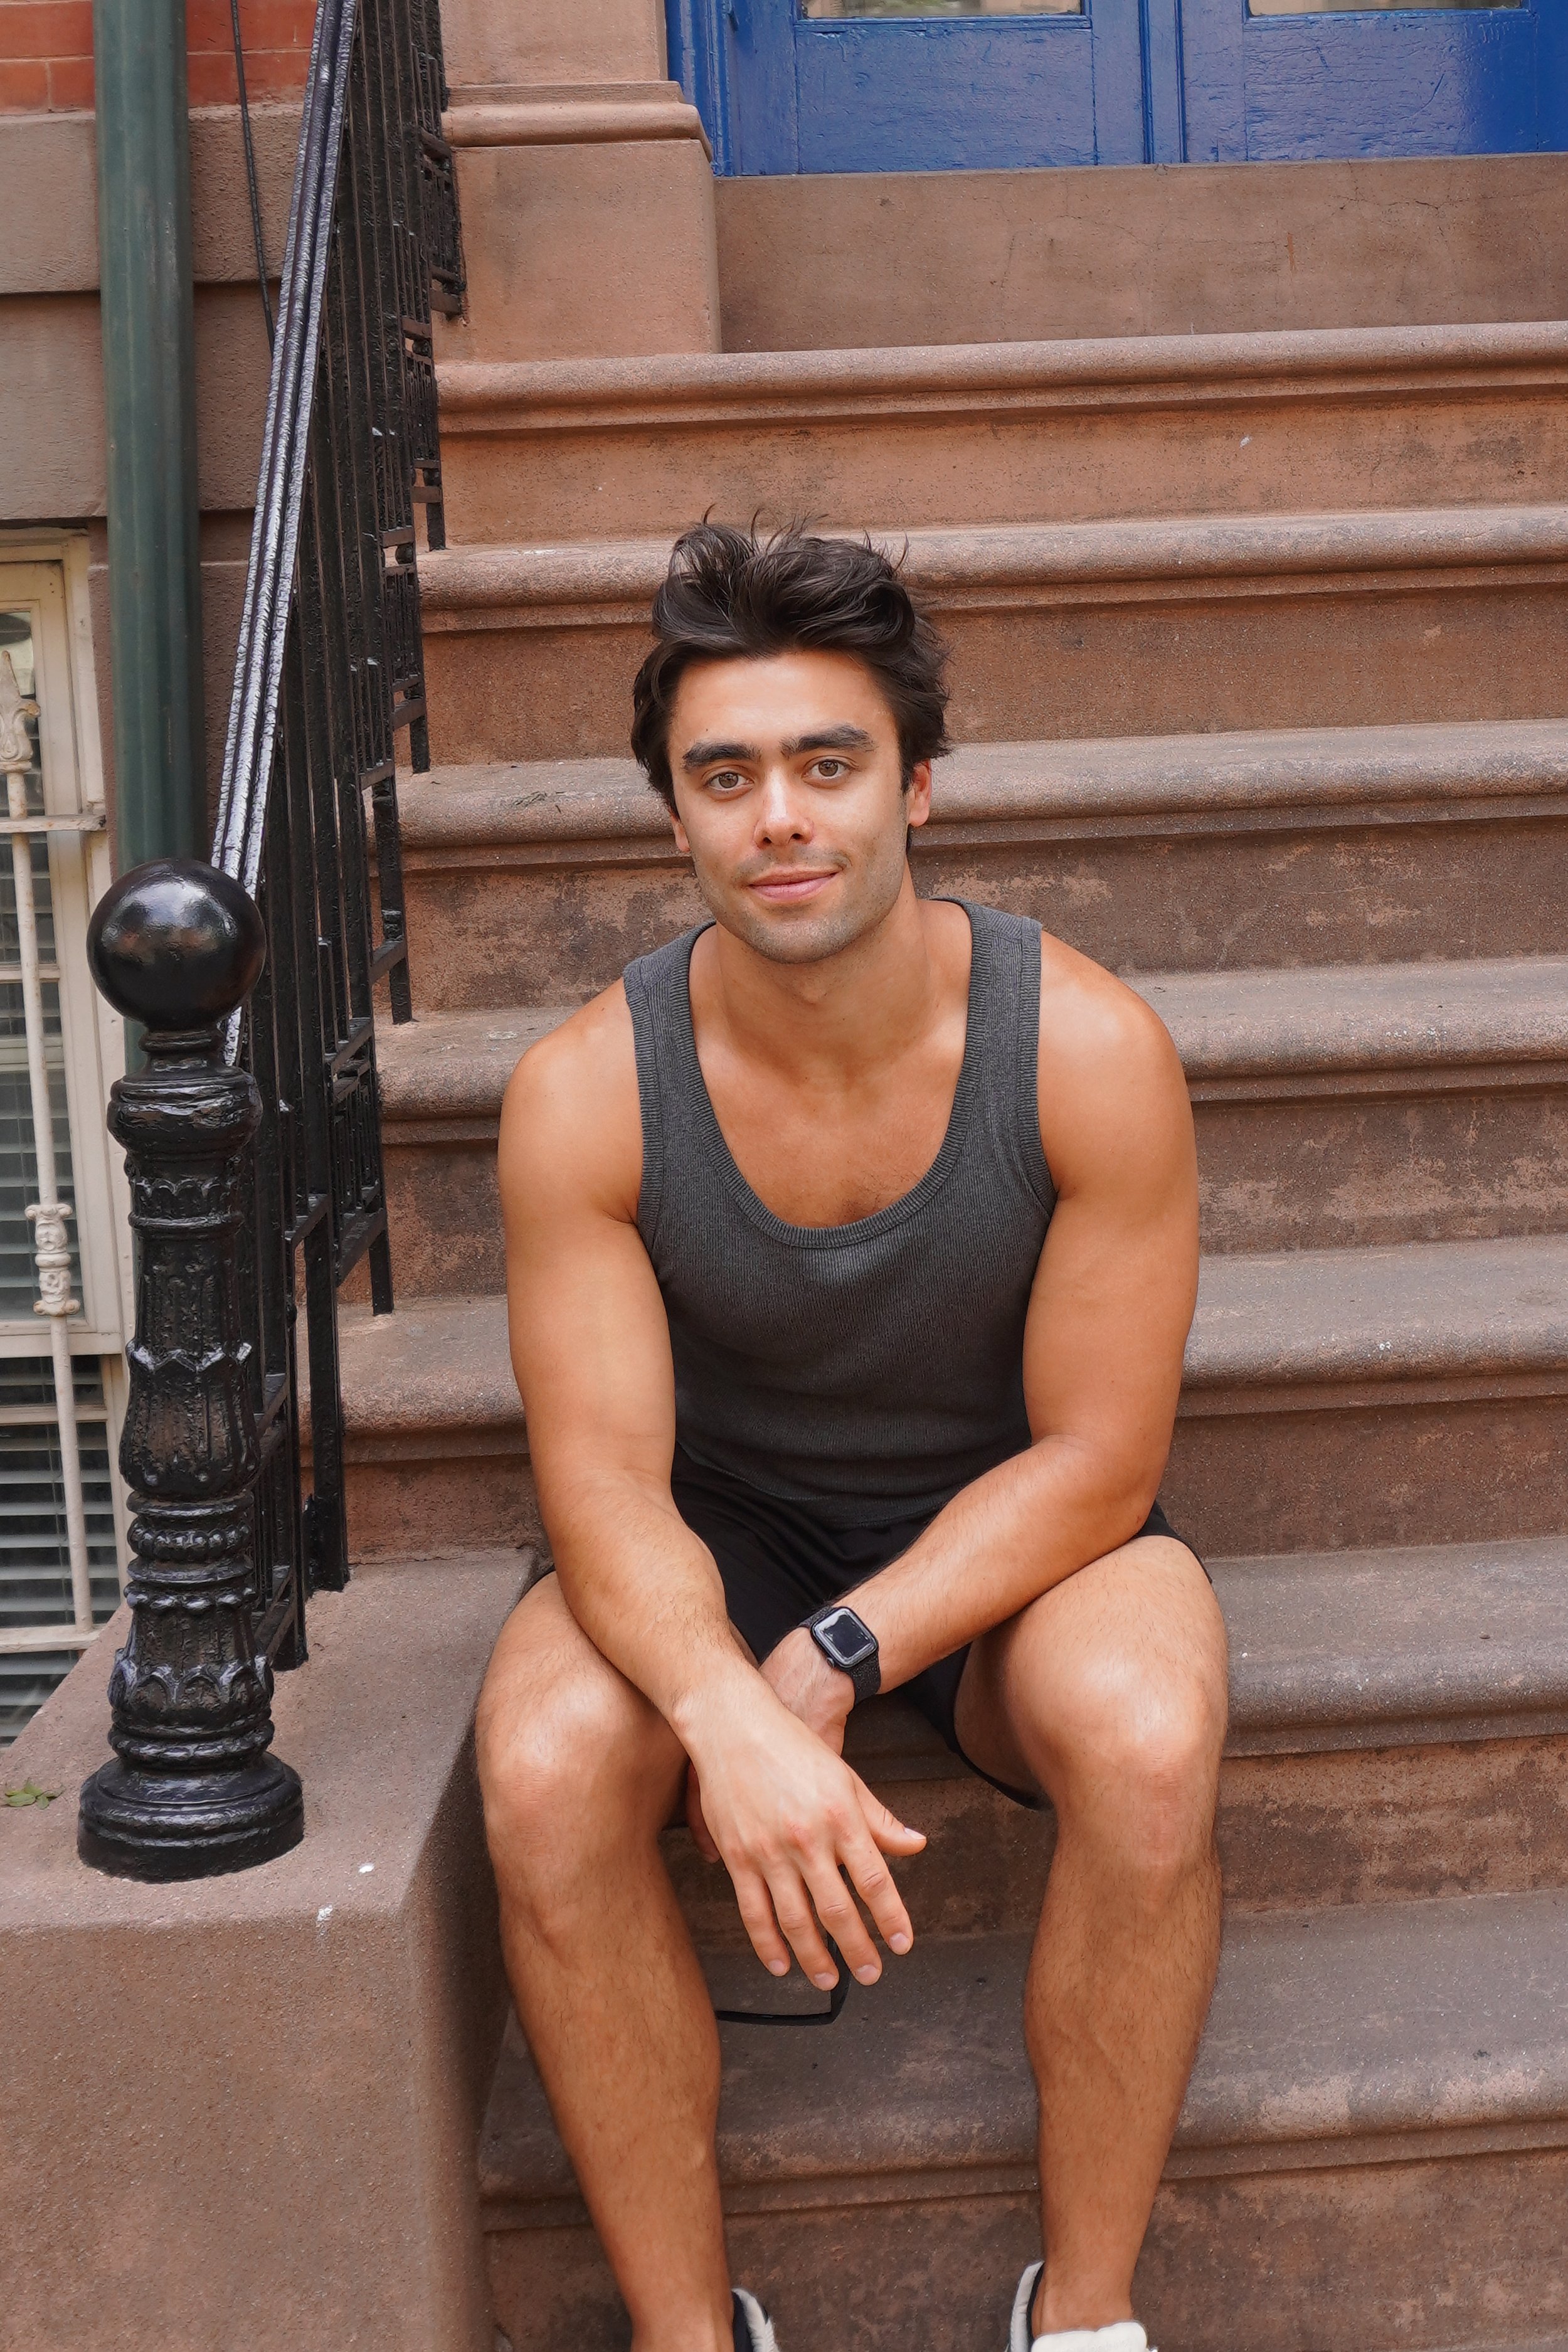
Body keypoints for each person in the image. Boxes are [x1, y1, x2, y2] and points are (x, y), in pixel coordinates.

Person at [477, 522, 1228, 2352]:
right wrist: (724, 1707)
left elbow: (1100, 1461)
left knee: (1149, 1736)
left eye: (828, 765)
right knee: (549, 1769)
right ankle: (686, 2334)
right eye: (726, 777)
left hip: (1015, 1548)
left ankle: (1085, 2319)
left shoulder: (1085, 1051)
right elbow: (601, 1484)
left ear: (917, 788)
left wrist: (829, 1663)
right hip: (712, 1541)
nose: (781, 819)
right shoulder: (585, 1092)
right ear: (674, 818)